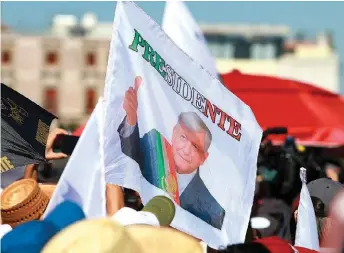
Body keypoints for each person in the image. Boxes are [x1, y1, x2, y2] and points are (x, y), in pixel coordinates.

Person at [117, 76, 225, 229]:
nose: (186, 149)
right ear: (174, 133)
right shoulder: (154, 149)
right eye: (183, 137)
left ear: (204, 158)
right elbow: (126, 151)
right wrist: (131, 118)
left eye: (195, 147)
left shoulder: (212, 209)